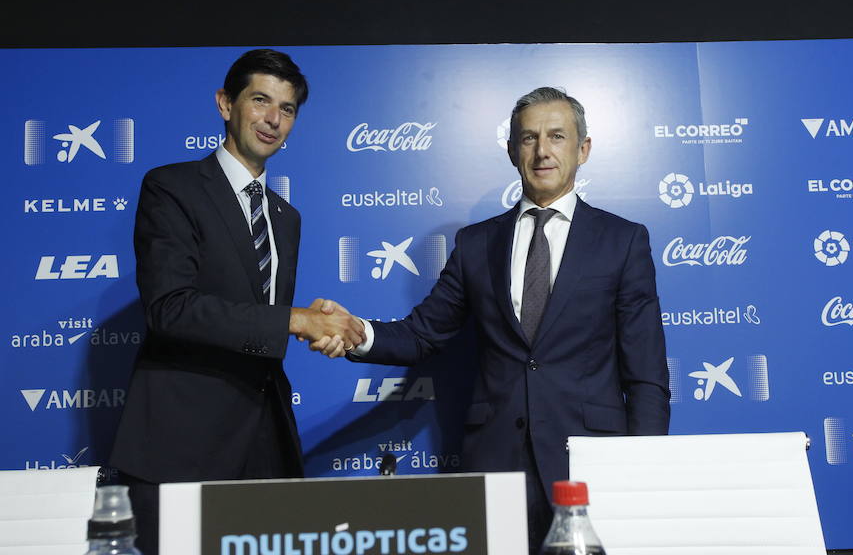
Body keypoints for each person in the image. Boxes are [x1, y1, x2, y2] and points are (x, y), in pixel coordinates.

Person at [314, 87, 670, 554]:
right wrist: (356, 332)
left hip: (591, 466)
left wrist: (642, 471)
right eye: (528, 138)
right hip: (495, 465)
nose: (542, 150)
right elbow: (422, 334)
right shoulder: (476, 244)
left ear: (583, 149)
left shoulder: (623, 240)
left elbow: (646, 374)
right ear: (510, 150)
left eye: (557, 136)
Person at [109, 49, 364, 555]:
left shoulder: (285, 217)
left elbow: (261, 316)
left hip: (265, 440)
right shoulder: (171, 187)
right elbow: (171, 309)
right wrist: (294, 320)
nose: (273, 119)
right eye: (261, 100)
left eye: (287, 109)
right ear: (226, 104)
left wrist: (325, 327)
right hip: (182, 445)